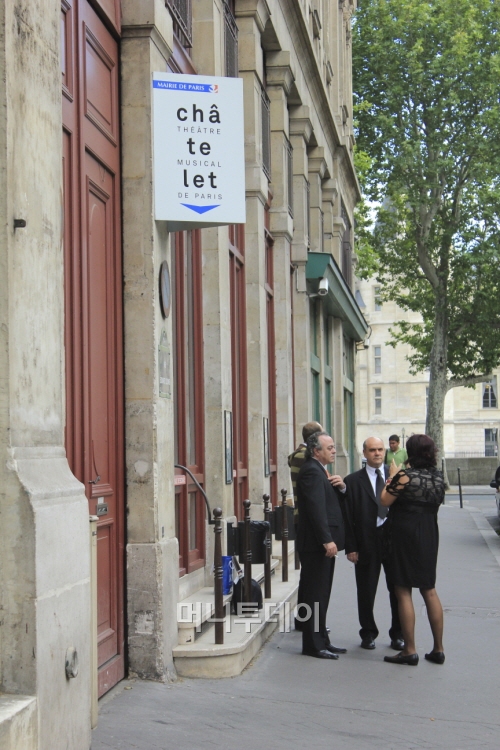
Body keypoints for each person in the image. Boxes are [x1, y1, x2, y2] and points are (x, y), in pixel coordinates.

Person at [381, 434, 445, 666]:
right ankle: (438, 649)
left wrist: (392, 477)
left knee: (403, 589)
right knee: (429, 589)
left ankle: (409, 650)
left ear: (411, 453)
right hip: (429, 533)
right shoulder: (438, 477)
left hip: (405, 534)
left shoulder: (405, 476)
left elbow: (385, 501)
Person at [344, 437, 403, 651]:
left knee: (397, 589)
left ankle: (398, 634)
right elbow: (347, 516)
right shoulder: (352, 481)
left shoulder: (397, 477)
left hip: (393, 542)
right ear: (364, 453)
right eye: (372, 450)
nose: (377, 453)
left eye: (380, 450)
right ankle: (368, 632)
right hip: (366, 541)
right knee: (366, 589)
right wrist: (351, 547)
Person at [296, 431, 347, 659]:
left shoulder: (320, 470)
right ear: (316, 451)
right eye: (329, 448)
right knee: (314, 595)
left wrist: (340, 486)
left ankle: (322, 640)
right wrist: (327, 540)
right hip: (316, 545)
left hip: (321, 545)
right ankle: (313, 645)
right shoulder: (311, 472)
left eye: (334, 447)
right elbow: (316, 510)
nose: (334, 451)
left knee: (322, 594)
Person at [288, 421, 323, 633]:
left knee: (307, 574)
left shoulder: (298, 456)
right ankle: (307, 622)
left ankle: (303, 619)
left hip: (301, 517)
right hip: (305, 518)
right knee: (312, 575)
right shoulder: (304, 458)